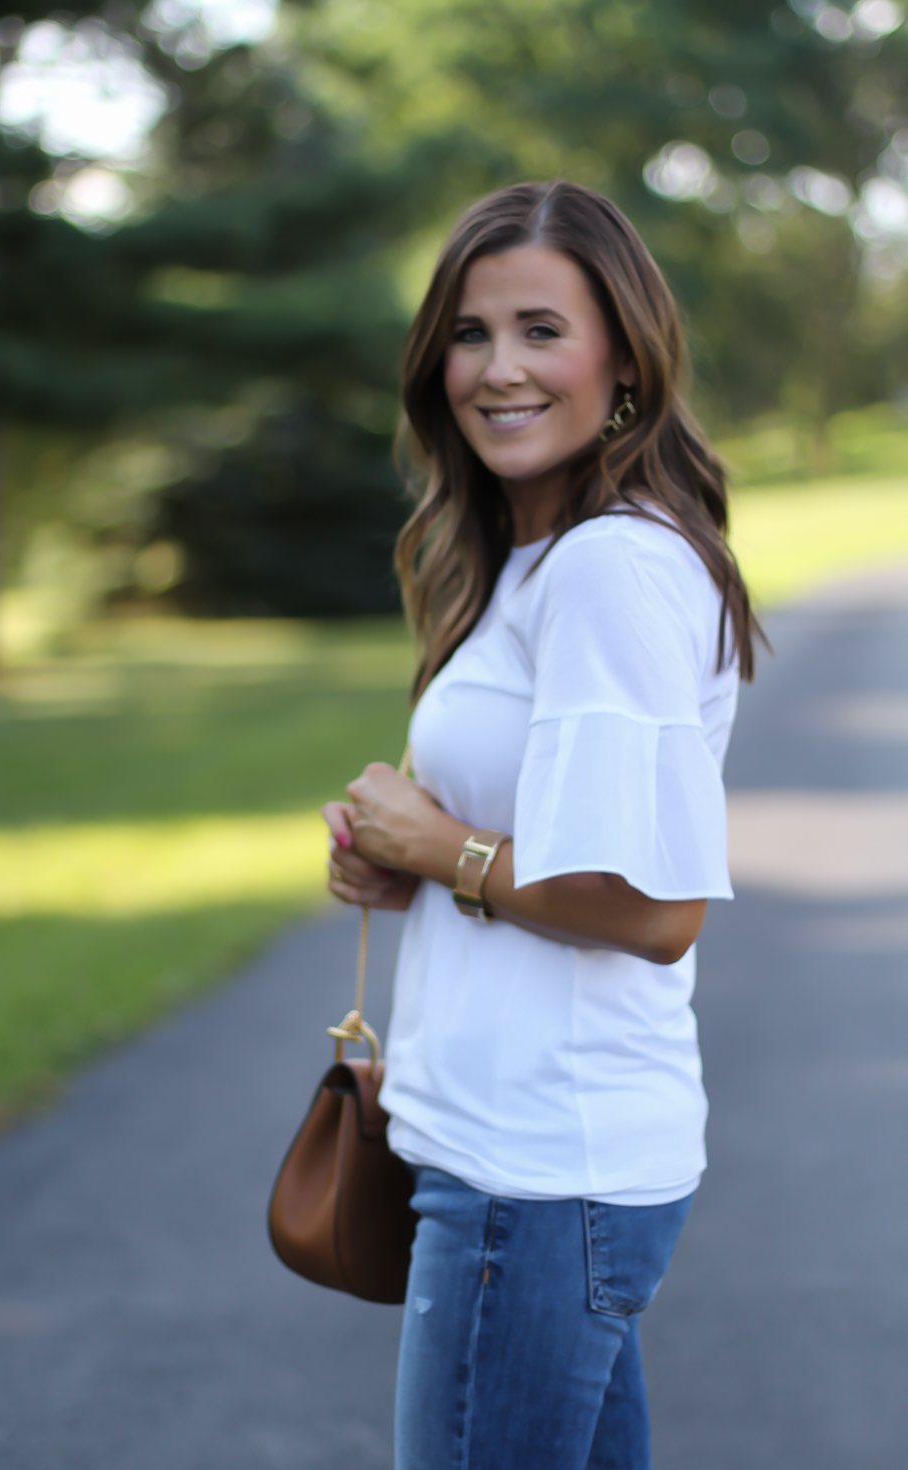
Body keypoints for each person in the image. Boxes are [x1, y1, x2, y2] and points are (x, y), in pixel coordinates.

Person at [322, 180, 759, 1470]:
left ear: (622, 354)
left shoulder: (614, 566)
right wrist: (411, 865)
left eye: (540, 331)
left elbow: (651, 911)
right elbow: (540, 854)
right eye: (470, 334)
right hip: (510, 1159)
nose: (498, 369)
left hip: (538, 1176)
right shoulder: (532, 557)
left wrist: (434, 848)